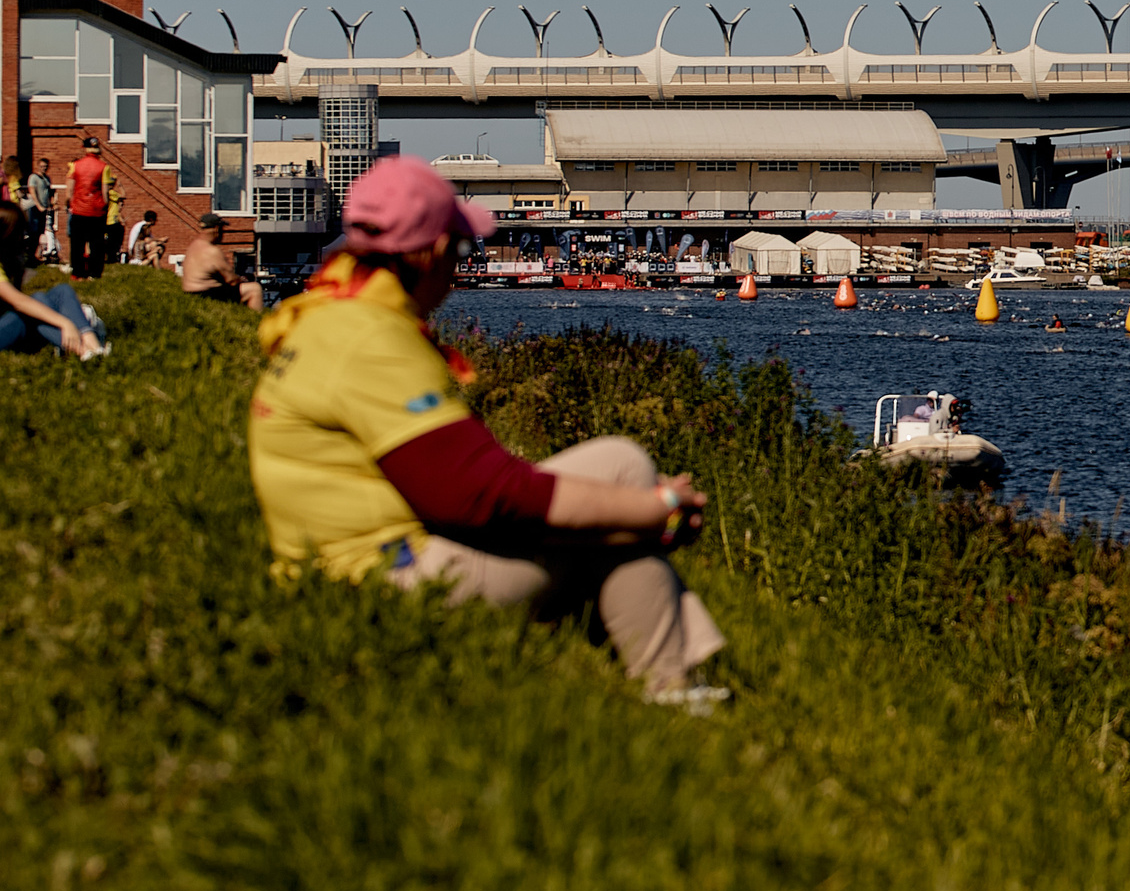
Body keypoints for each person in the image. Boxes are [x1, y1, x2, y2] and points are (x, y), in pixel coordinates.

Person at [247, 154, 725, 701]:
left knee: (619, 464)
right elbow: (478, 495)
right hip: (379, 581)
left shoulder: (332, 316)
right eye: (461, 250)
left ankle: (674, 679)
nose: (460, 270)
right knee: (617, 511)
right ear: (428, 255)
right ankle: (669, 692)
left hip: (347, 559)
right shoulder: (373, 342)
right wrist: (655, 509)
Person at [0, 205, 105, 357]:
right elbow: (18, 302)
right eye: (20, 231)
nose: (24, 236)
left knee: (61, 291)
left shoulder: (8, 260)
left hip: (8, 325)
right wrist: (64, 322)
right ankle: (82, 351)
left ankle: (92, 344)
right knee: (35, 304)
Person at [182, 213, 265, 310]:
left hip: (190, 294)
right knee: (255, 289)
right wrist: (243, 279)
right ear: (217, 229)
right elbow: (232, 280)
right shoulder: (212, 251)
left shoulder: (193, 246)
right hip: (206, 294)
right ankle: (254, 321)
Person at [66, 139, 110, 279]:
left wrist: (70, 203)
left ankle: (77, 273)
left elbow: (69, 191)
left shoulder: (75, 165)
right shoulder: (104, 167)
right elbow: (105, 193)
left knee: (77, 244)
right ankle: (95, 273)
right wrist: (105, 206)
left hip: (79, 209)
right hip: (96, 211)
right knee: (97, 244)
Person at [24, 157, 56, 262]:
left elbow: (49, 192)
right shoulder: (33, 177)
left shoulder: (47, 178)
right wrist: (38, 206)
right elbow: (32, 191)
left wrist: (50, 204)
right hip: (34, 207)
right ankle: (28, 254)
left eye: (45, 166)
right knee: (33, 231)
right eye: (41, 166)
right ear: (38, 166)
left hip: (44, 208)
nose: (43, 168)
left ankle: (33, 255)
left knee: (39, 233)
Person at [101, 169, 125, 269]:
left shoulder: (106, 193)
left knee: (109, 240)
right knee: (112, 241)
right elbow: (123, 195)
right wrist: (120, 186)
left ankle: (109, 257)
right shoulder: (112, 193)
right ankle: (111, 258)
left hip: (109, 219)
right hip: (111, 220)